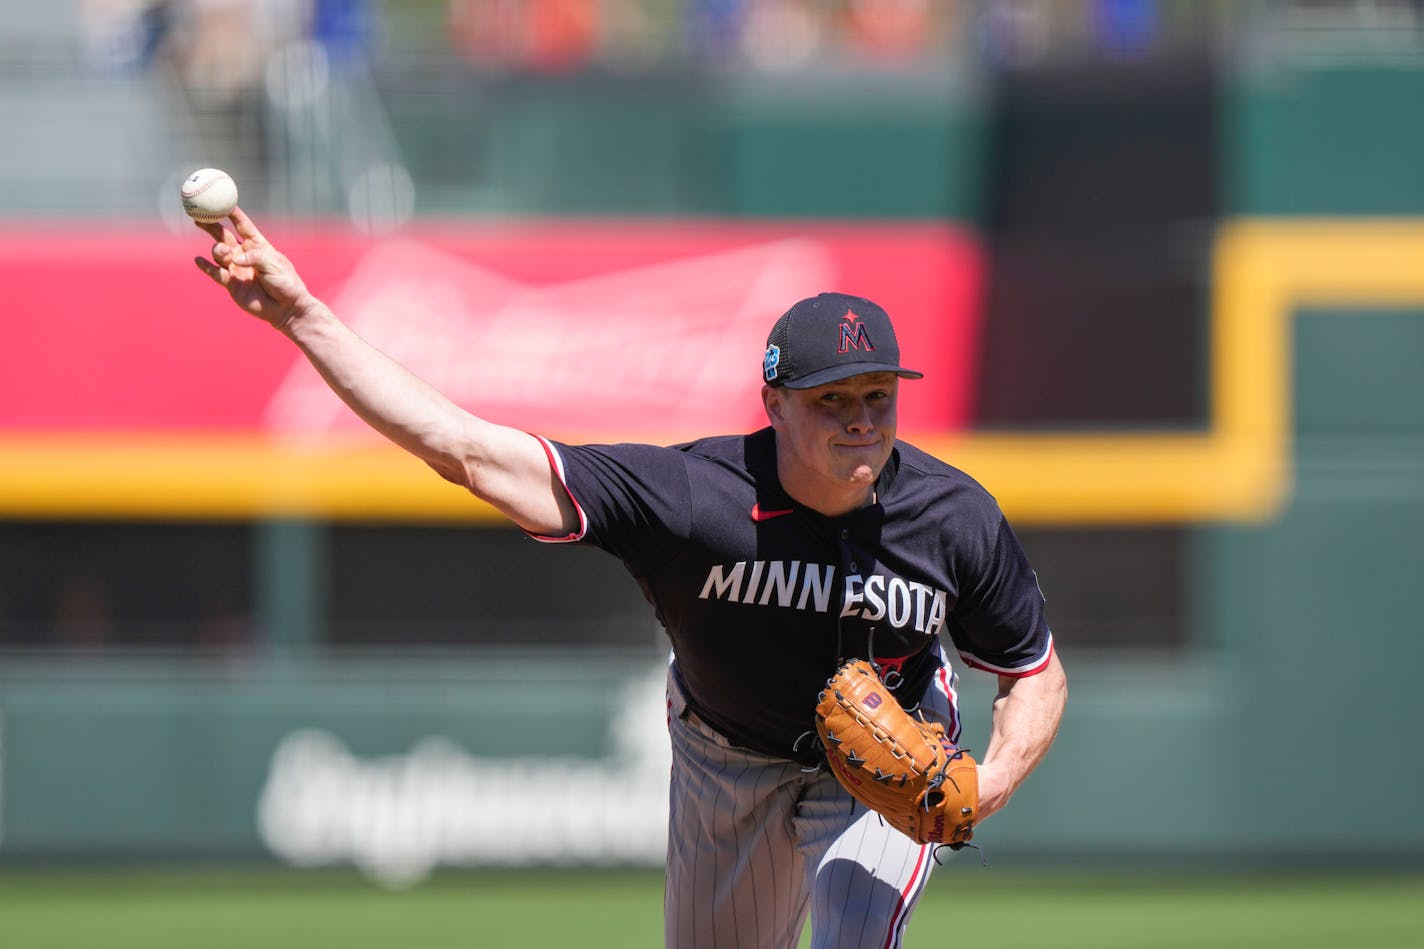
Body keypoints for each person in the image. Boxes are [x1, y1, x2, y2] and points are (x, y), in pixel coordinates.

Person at [193, 208, 1067, 949]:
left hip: (892, 753)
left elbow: (1033, 669)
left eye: (878, 394)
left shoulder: (953, 515)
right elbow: (464, 449)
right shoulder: (693, 498)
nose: (861, 420)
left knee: (854, 925)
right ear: (774, 405)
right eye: (831, 399)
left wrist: (990, 781)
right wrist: (302, 314)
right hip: (727, 758)